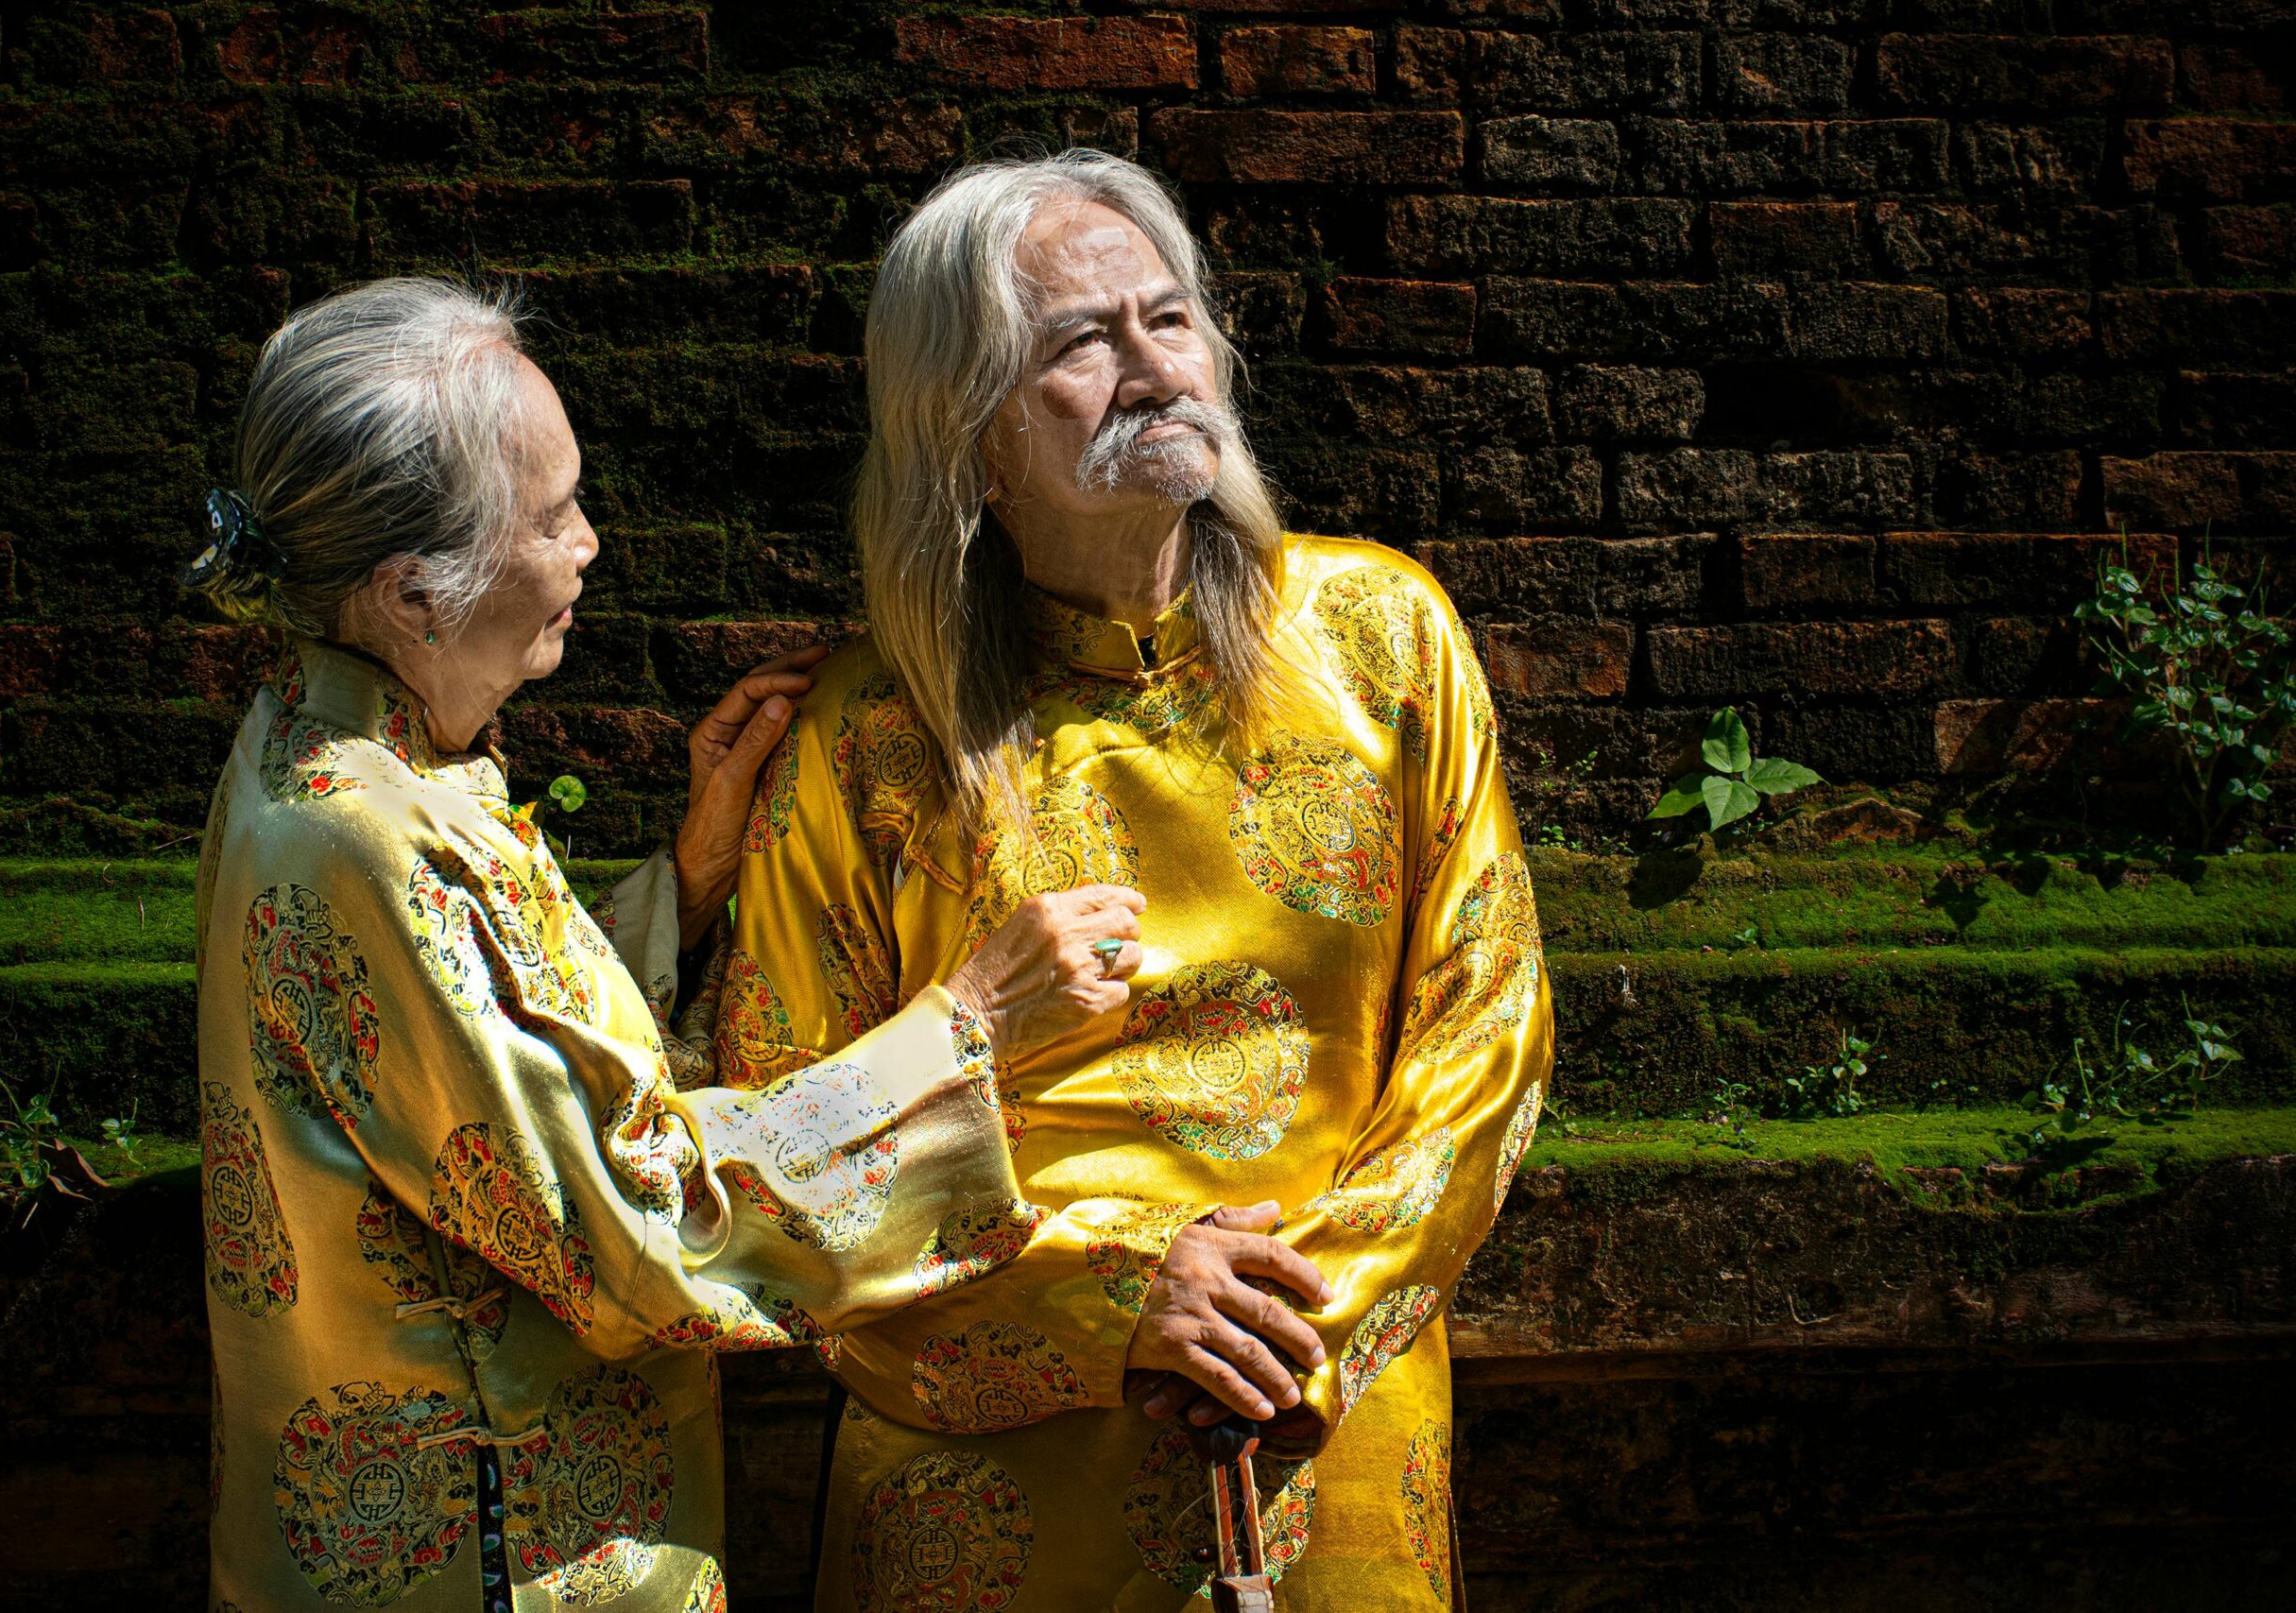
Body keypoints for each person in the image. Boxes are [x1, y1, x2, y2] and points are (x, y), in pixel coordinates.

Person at [189, 277, 1174, 1611]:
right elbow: (638, 1234)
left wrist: (691, 886)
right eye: (552, 517)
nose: (589, 545)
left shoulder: (321, 741)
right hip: (493, 1561)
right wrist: (968, 1029)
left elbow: (488, 1076)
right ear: (414, 591)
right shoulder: (369, 836)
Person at [706, 150, 1555, 1611]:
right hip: (995, 1488)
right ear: (968, 433)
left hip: (1321, 1426)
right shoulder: (865, 741)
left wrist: (1288, 1323)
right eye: (1083, 344)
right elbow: (784, 1163)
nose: (1156, 371)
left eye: (1170, 319)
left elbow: (1489, 1036)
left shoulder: (1387, 641)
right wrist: (1115, 1301)